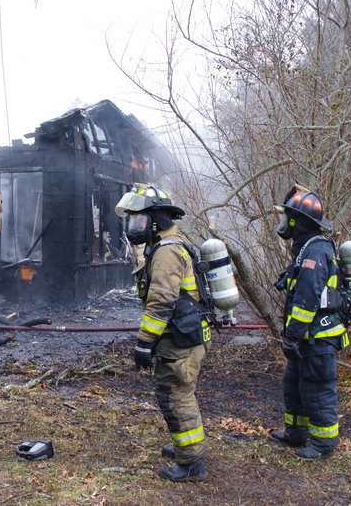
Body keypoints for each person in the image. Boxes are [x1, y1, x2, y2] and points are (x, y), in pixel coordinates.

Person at [115, 184, 212, 483]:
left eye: (139, 219)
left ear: (156, 220)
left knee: (175, 395)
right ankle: (187, 446)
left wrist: (144, 343)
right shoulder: (169, 243)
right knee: (177, 393)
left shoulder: (167, 252)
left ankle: (192, 463)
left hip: (180, 339)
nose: (134, 226)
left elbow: (161, 302)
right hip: (185, 334)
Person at [269, 186, 349, 460]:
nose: (282, 223)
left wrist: (292, 336)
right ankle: (296, 434)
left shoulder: (316, 250)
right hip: (306, 337)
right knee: (294, 386)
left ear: (296, 221)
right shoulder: (307, 248)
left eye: (286, 217)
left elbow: (307, 298)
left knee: (316, 389)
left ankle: (324, 444)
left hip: (318, 336)